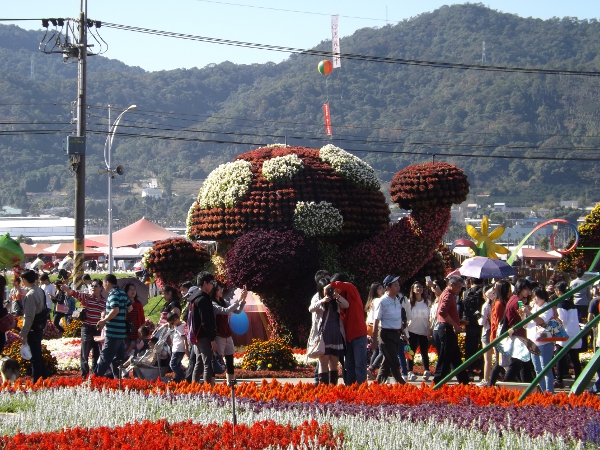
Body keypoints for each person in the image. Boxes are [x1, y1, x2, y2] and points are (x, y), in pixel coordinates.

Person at [488, 279, 533, 386]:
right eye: (526, 289)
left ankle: (527, 387)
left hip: (517, 336)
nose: (528, 292)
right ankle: (505, 387)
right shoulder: (518, 301)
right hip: (516, 336)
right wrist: (537, 320)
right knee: (516, 365)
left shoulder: (512, 299)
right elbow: (526, 318)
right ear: (521, 288)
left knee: (522, 365)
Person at [62, 279, 106, 378]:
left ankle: (95, 375)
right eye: (92, 286)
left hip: (98, 330)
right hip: (87, 328)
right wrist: (66, 289)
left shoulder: (105, 301)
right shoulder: (87, 297)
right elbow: (75, 293)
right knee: (84, 354)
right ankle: (84, 375)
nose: (93, 287)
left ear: (101, 288)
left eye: (96, 286)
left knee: (97, 354)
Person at [309, 278, 349, 385]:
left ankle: (332, 387)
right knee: (323, 361)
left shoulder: (335, 297)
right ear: (321, 289)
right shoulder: (317, 297)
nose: (329, 291)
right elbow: (311, 309)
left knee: (334, 362)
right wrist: (322, 300)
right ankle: (324, 387)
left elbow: (346, 305)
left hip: (335, 333)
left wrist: (337, 296)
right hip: (323, 334)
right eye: (327, 289)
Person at [330, 274, 368, 385]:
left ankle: (362, 389)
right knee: (349, 366)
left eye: (336, 285)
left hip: (358, 334)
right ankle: (350, 389)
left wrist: (328, 285)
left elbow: (347, 285)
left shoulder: (352, 291)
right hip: (348, 336)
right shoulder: (338, 298)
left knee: (359, 365)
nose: (334, 289)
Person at [94, 274, 133, 378]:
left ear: (107, 283)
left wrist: (104, 320)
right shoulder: (122, 293)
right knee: (119, 357)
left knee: (105, 356)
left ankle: (96, 378)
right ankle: (119, 379)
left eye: (103, 284)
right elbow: (130, 308)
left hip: (113, 331)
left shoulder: (113, 294)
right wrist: (121, 316)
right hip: (121, 331)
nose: (103, 287)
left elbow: (115, 310)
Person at [433, 275, 470, 385]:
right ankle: (438, 382)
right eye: (458, 287)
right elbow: (442, 312)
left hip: (447, 328)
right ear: (451, 285)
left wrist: (458, 322)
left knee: (455, 358)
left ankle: (464, 383)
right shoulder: (448, 295)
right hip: (446, 329)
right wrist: (455, 324)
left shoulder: (447, 294)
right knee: (445, 358)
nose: (459, 290)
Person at [372, 275, 406, 385]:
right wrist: (374, 340)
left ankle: (377, 385)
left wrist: (403, 333)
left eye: (398, 285)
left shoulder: (397, 300)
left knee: (386, 363)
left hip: (396, 334)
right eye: (395, 285)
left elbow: (399, 319)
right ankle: (401, 383)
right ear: (388, 287)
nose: (398, 287)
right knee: (394, 361)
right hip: (386, 335)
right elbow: (376, 321)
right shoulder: (382, 302)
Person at [211, 282, 247, 385]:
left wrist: (243, 299)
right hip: (218, 336)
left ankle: (231, 383)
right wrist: (238, 300)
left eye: (221, 288)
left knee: (230, 359)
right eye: (218, 289)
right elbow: (225, 311)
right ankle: (211, 385)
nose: (221, 291)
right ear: (213, 291)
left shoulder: (223, 301)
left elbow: (237, 311)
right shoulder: (212, 303)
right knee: (216, 362)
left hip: (227, 335)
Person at [187, 271, 218, 385]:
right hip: (204, 336)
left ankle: (194, 386)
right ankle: (207, 389)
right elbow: (206, 321)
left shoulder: (194, 297)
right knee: (207, 364)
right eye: (211, 282)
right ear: (204, 283)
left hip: (196, 335)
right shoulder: (203, 299)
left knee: (198, 363)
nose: (212, 285)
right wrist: (212, 339)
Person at [522, 287, 555, 393]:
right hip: (532, 341)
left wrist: (529, 312)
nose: (534, 299)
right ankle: (542, 391)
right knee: (537, 369)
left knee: (545, 368)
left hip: (544, 341)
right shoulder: (534, 307)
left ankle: (549, 392)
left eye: (536, 297)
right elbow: (525, 325)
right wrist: (524, 313)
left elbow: (541, 320)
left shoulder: (547, 307)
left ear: (542, 297)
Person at [19, 270, 48, 381]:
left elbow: (29, 316)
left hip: (33, 328)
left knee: (35, 357)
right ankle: (44, 377)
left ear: (24, 280)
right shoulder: (39, 290)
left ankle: (36, 380)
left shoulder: (30, 295)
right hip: (40, 325)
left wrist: (24, 333)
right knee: (38, 354)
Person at [554, 281, 582, 388]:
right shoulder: (571, 303)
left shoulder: (561, 303)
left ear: (558, 291)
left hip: (565, 335)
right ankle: (578, 379)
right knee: (575, 358)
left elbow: (563, 320)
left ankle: (559, 380)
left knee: (559, 357)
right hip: (575, 333)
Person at [404, 281, 432, 382]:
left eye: (420, 287)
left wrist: (429, 329)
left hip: (424, 331)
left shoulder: (427, 302)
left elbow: (431, 317)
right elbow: (405, 317)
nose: (419, 289)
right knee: (411, 352)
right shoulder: (409, 302)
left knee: (424, 352)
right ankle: (410, 371)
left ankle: (426, 371)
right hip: (412, 331)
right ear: (413, 290)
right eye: (416, 287)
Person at [462, 278, 485, 380]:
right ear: (483, 281)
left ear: (471, 282)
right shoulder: (484, 292)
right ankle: (482, 372)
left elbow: (463, 307)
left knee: (470, 347)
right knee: (483, 348)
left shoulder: (466, 293)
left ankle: (470, 371)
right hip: (482, 323)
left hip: (470, 323)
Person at [366, 282, 384, 379]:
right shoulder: (378, 300)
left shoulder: (371, 301)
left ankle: (370, 371)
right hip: (376, 327)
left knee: (376, 351)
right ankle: (372, 368)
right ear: (375, 291)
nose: (383, 290)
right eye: (380, 288)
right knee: (382, 351)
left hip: (369, 327)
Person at [478, 283, 495, 387]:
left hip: (487, 331)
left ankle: (486, 379)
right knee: (499, 358)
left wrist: (478, 318)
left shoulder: (485, 306)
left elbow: (482, 322)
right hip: (495, 332)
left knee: (487, 359)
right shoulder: (497, 304)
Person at [123, 283, 146, 357]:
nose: (133, 291)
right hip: (126, 332)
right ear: (126, 292)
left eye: (134, 289)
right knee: (126, 352)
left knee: (136, 353)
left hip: (136, 332)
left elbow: (142, 318)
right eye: (130, 289)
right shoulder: (123, 304)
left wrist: (141, 333)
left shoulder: (139, 304)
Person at [166, 312, 188, 382]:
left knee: (173, 364)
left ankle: (183, 377)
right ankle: (178, 379)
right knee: (177, 365)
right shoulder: (178, 327)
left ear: (176, 319)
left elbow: (184, 339)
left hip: (179, 349)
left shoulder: (181, 327)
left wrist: (186, 349)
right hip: (176, 348)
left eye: (172, 323)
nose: (172, 325)